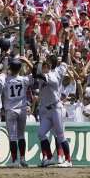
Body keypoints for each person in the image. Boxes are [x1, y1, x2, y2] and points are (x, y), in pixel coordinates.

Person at [33, 28, 72, 167]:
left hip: (56, 108)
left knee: (60, 136)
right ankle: (50, 157)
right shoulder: (60, 70)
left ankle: (68, 160)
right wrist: (67, 39)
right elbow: (66, 57)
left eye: (47, 63)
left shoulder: (53, 76)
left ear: (49, 65)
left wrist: (39, 61)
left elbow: (38, 75)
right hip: (47, 109)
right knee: (41, 134)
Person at [4, 56, 34, 167]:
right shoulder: (24, 79)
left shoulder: (6, 80)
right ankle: (23, 159)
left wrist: (8, 67)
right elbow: (35, 73)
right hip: (22, 109)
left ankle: (15, 161)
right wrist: (27, 61)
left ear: (10, 69)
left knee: (12, 136)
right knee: (21, 135)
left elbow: (0, 74)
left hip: (11, 110)